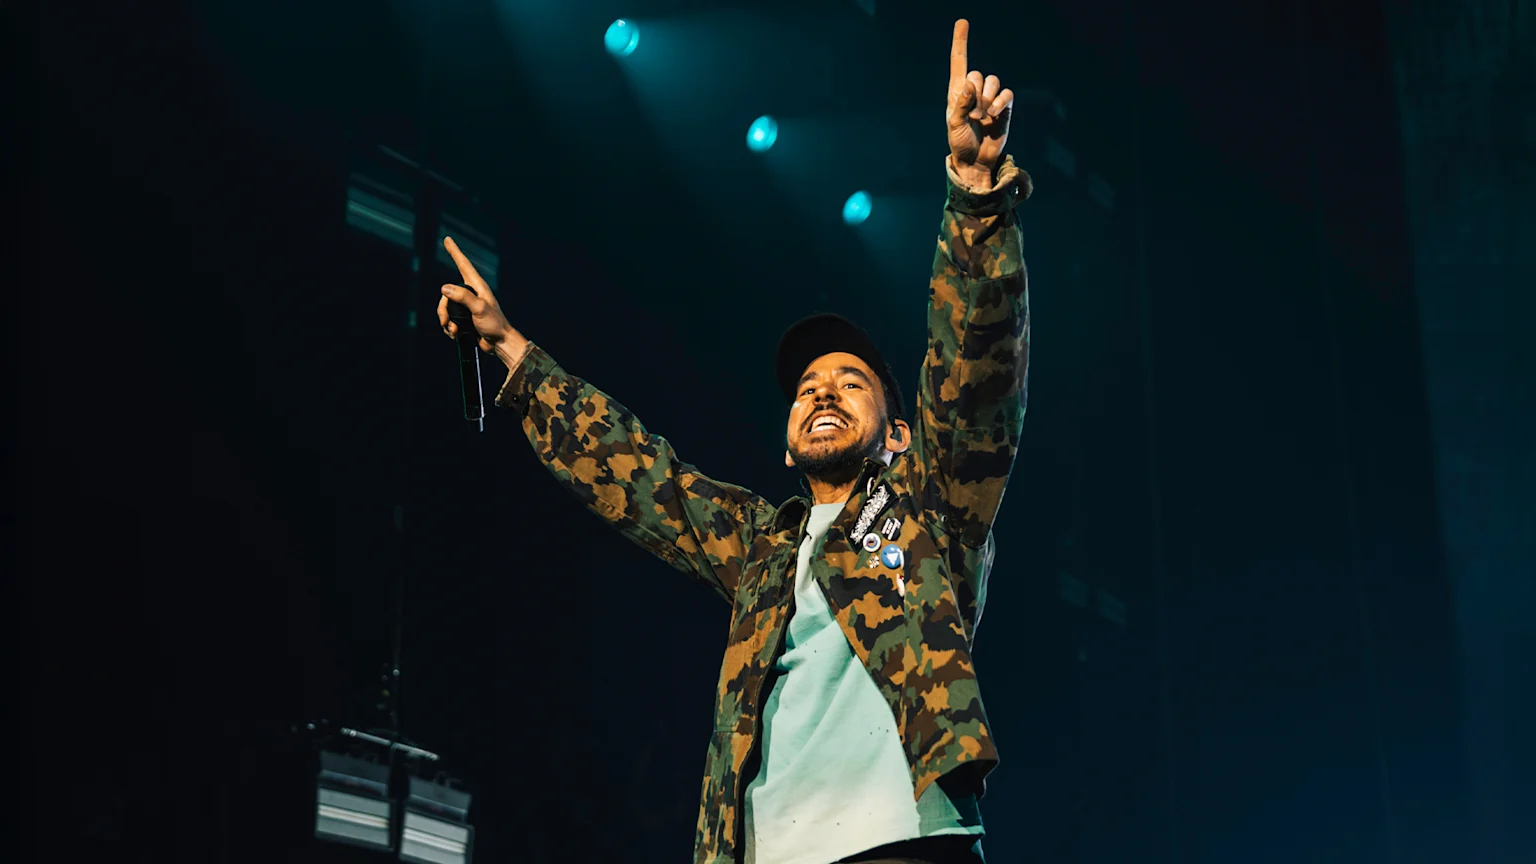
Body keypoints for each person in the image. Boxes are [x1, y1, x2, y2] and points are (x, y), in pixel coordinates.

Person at [437, 18, 1031, 864]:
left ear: (899, 435)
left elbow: (974, 378)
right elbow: (643, 477)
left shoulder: (926, 506)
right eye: (807, 388)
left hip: (903, 842)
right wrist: (516, 357)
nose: (821, 392)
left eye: (850, 381)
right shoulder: (762, 548)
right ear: (787, 446)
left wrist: (974, 195)